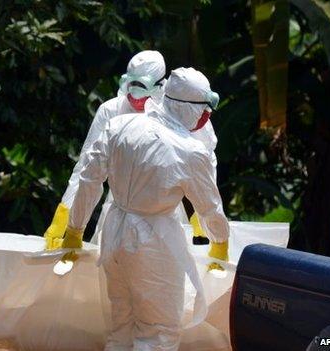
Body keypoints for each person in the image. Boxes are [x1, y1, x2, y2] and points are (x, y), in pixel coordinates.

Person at [59, 67, 230, 350]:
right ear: (187, 109)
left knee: (121, 328)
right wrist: (220, 243)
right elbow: (210, 207)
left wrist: (74, 229)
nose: (207, 116)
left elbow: (89, 181)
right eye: (205, 110)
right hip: (155, 245)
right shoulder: (188, 150)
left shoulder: (120, 127)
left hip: (113, 237)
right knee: (158, 332)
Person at [43, 50, 166, 250]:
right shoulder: (111, 111)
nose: (136, 101)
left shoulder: (171, 114)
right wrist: (65, 217)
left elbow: (197, 165)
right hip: (119, 209)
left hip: (163, 214)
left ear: (160, 86)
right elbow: (86, 169)